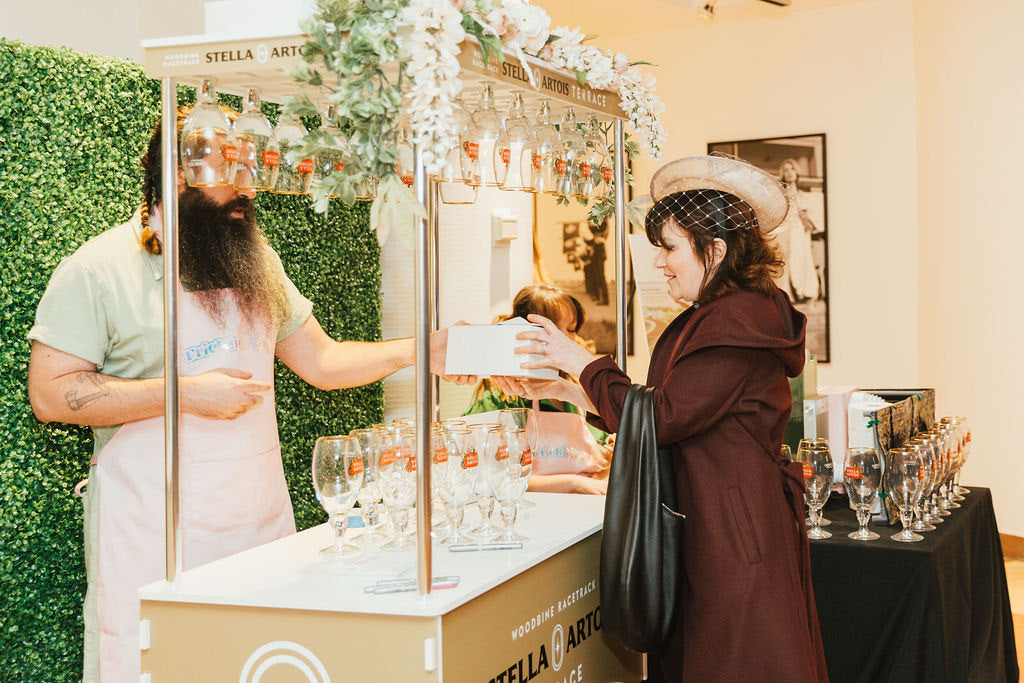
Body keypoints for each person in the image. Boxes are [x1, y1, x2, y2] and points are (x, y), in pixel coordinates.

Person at [25, 106, 470, 682]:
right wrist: (184, 394)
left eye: (250, 165)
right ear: (173, 173)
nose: (246, 186)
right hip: (152, 535)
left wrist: (425, 348)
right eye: (227, 167)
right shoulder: (97, 270)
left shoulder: (259, 261)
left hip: (255, 521)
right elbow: (52, 394)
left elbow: (323, 361)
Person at [496, 156, 828, 681]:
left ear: (715, 250)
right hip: (720, 519)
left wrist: (579, 360)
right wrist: (571, 389)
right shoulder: (731, 314)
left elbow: (665, 415)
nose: (660, 263)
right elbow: (665, 406)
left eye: (670, 247)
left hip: (732, 534)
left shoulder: (737, 320)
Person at [463, 284, 611, 495]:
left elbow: (598, 462)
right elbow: (489, 476)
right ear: (527, 333)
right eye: (563, 330)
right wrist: (573, 483)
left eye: (573, 330)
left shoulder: (575, 392)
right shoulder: (500, 396)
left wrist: (607, 457)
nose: (572, 340)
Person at [774, 158, 821, 303]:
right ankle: (792, 293)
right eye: (786, 170)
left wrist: (801, 211)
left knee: (803, 258)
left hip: (800, 231)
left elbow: (810, 220)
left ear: (796, 172)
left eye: (792, 169)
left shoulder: (802, 194)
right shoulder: (781, 194)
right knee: (789, 259)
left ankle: (808, 292)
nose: (789, 173)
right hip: (786, 231)